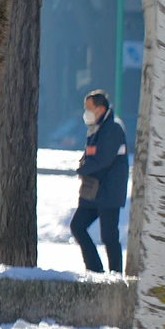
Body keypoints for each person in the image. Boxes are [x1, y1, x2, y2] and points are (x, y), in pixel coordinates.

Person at [72, 90, 129, 274]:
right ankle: (95, 269)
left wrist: (82, 169)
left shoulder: (113, 129)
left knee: (109, 236)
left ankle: (115, 275)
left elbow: (102, 160)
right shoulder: (95, 129)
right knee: (77, 226)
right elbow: (90, 155)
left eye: (89, 108)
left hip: (109, 192)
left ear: (101, 109)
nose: (86, 112)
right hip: (93, 192)